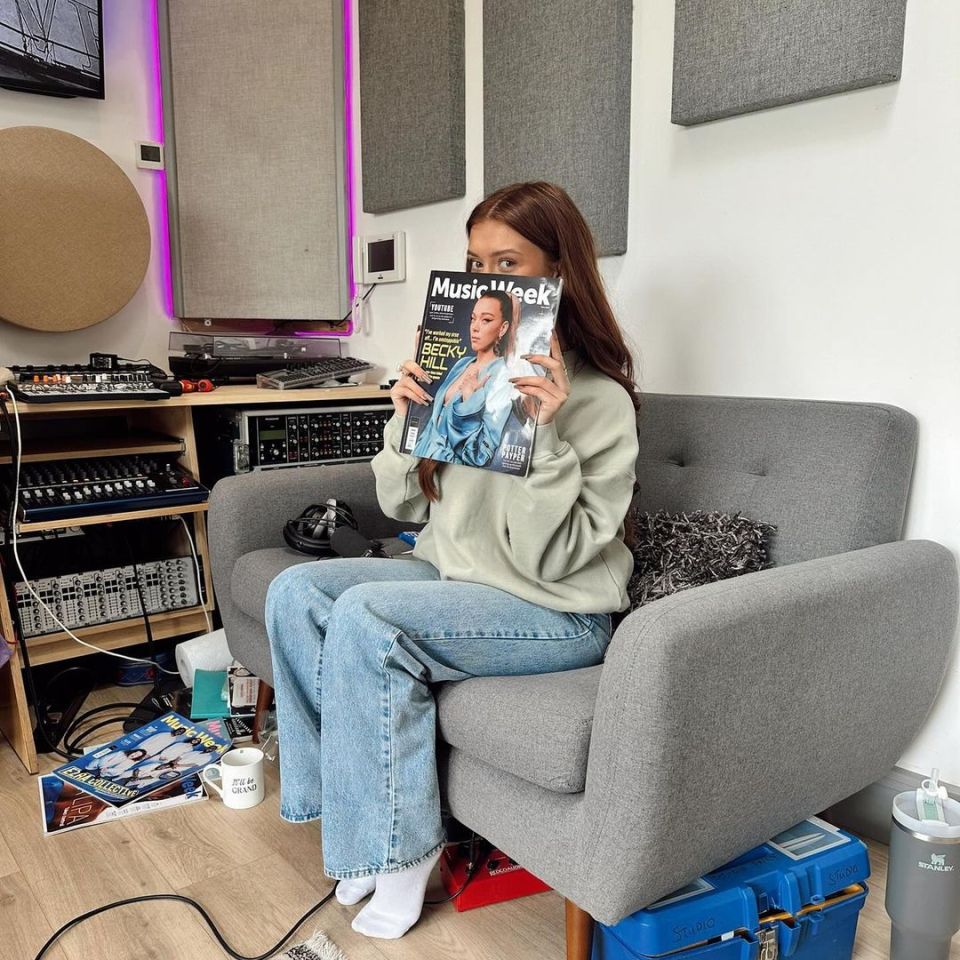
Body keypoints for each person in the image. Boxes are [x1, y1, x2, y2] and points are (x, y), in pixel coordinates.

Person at [265, 181, 640, 940]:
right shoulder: (468, 377)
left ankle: (401, 855)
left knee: (368, 617)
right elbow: (407, 509)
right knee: (295, 591)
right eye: (473, 263)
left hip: (557, 611)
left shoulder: (600, 403)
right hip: (452, 579)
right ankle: (348, 821)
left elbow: (557, 555)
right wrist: (406, 421)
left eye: (506, 262)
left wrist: (549, 436)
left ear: (553, 276)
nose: (482, 282)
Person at [411, 289, 520, 466]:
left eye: (486, 320)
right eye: (473, 318)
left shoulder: (503, 377)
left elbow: (480, 455)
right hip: (421, 459)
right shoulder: (463, 363)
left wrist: (470, 402)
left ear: (503, 328)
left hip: (452, 473)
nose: (475, 327)